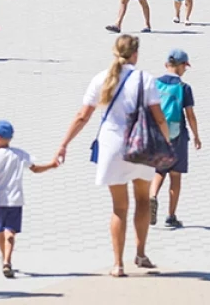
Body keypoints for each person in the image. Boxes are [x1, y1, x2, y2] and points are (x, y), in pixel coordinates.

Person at [52, 34, 169, 277]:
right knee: (143, 200)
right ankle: (140, 253)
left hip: (111, 147)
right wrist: (167, 142)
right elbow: (158, 117)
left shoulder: (101, 79)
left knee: (119, 207)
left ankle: (118, 264)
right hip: (142, 146)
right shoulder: (145, 79)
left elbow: (83, 116)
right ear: (135, 54)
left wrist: (64, 144)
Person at [0, 120, 57, 278]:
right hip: (16, 200)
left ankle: (5, 259)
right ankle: (7, 260)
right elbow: (35, 168)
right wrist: (51, 165)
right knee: (11, 231)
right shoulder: (19, 154)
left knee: (1, 230)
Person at [149, 49, 201, 229]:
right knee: (175, 176)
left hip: (157, 134)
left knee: (159, 170)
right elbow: (190, 115)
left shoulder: (154, 84)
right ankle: (171, 216)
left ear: (166, 65)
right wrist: (196, 136)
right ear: (180, 66)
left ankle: (153, 196)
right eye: (185, 67)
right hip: (177, 134)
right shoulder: (184, 88)